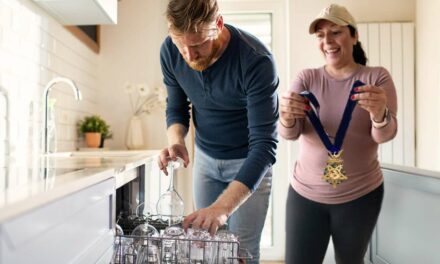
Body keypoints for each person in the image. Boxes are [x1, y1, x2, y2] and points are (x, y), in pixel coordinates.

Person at [158, 0, 279, 262]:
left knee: (241, 250)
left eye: (197, 45)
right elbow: (176, 107)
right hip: (205, 160)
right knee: (206, 248)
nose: (189, 56)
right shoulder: (169, 51)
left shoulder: (256, 60)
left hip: (249, 163)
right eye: (182, 47)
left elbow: (264, 146)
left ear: (219, 25)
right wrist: (176, 140)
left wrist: (222, 209)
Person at [279, 4, 397, 264]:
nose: (327, 41)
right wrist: (286, 116)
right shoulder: (307, 78)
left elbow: (384, 135)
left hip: (360, 196)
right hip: (305, 196)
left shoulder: (376, 78)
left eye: (335, 32)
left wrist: (380, 114)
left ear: (354, 36)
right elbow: (290, 133)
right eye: (320, 36)